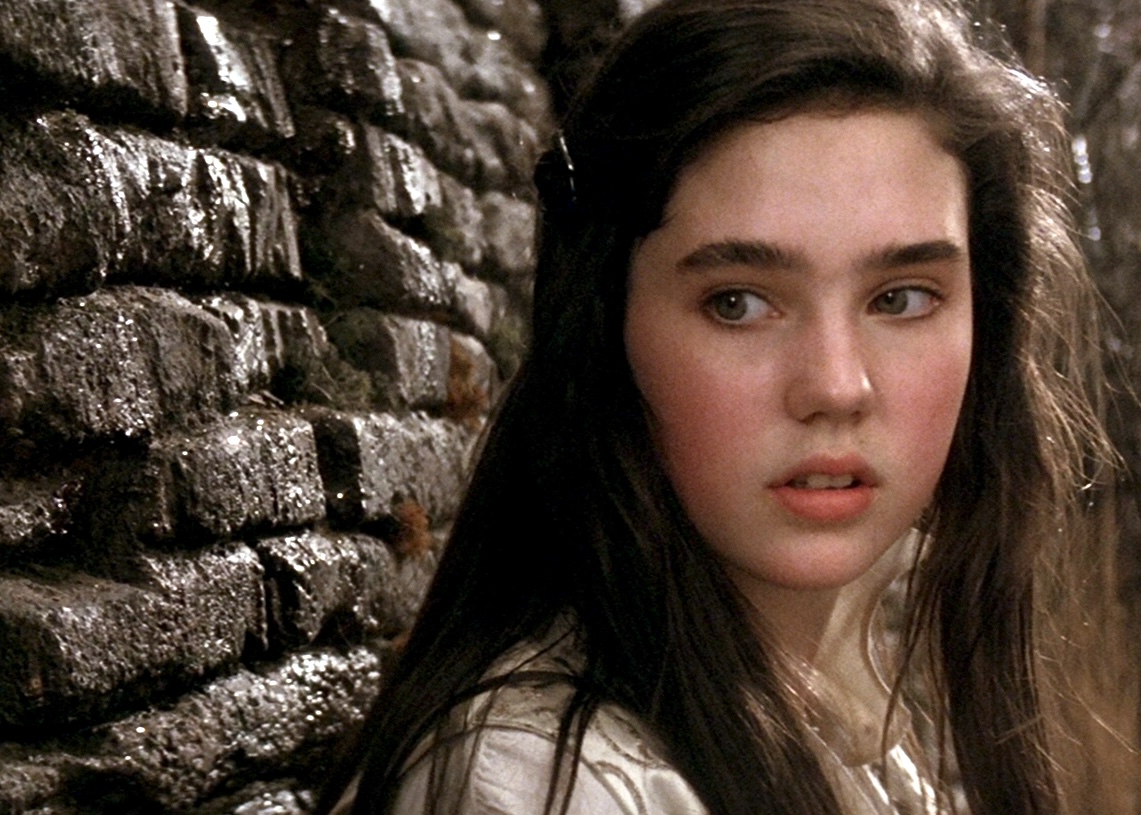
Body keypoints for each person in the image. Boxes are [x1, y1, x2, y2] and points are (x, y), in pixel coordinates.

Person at [319, 0, 1121, 812]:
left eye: (901, 298)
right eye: (737, 303)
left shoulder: (837, 725)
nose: (836, 386)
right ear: (605, 326)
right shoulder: (545, 785)